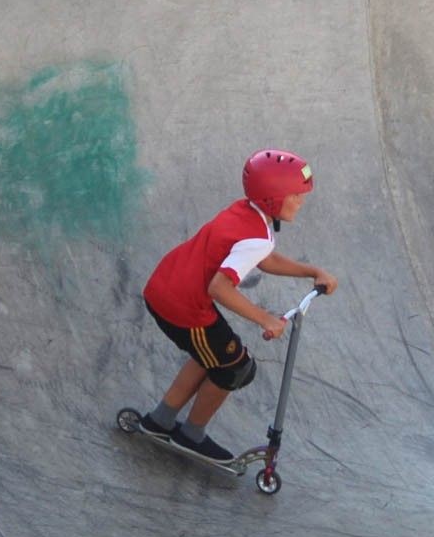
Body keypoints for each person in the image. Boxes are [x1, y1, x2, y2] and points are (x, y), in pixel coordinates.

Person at [139, 149, 338, 463]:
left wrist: (312, 272)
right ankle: (191, 435)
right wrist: (265, 319)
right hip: (185, 308)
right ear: (272, 198)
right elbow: (219, 287)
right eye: (296, 196)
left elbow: (265, 258)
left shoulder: (247, 212)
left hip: (167, 287)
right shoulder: (256, 236)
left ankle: (159, 421)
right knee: (236, 368)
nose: (301, 201)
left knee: (212, 355)